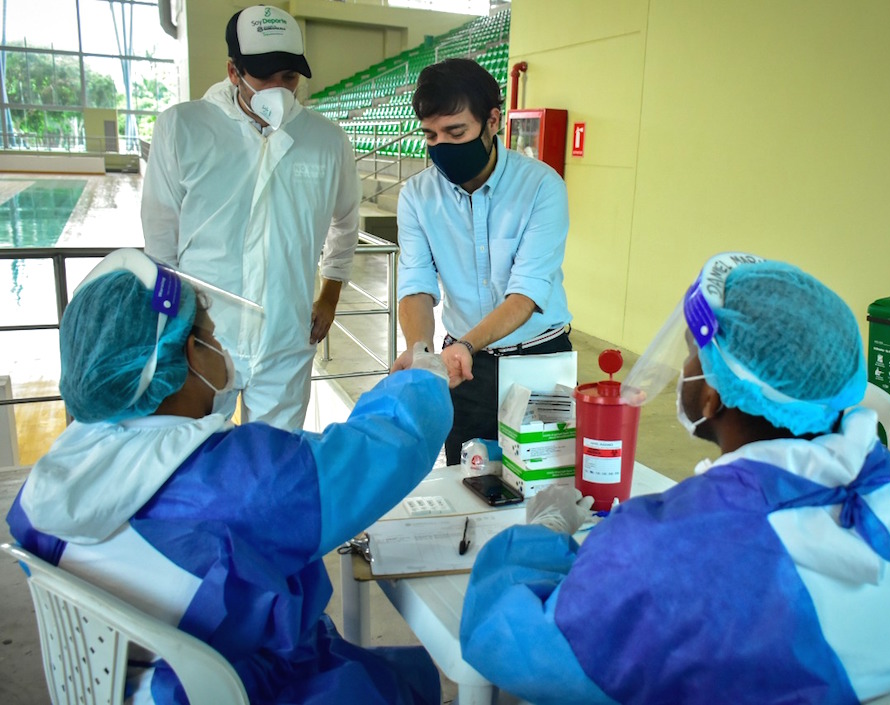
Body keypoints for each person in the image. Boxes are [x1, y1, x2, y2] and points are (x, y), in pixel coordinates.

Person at [459, 252, 890, 705]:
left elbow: (517, 646)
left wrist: (542, 534)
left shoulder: (660, 549)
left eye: (692, 355)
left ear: (715, 394)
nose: (683, 368)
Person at [7, 249, 452, 705]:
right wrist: (425, 377)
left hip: (127, 683)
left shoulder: (51, 481)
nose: (222, 348)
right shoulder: (240, 478)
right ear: (188, 355)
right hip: (238, 686)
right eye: (212, 336)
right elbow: (377, 451)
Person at [142, 5, 361, 431]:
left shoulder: (327, 140)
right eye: (265, 77)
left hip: (284, 334)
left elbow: (346, 223)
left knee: (272, 466)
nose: (279, 89)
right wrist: (168, 331)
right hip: (202, 338)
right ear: (232, 71)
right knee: (193, 460)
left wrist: (330, 294)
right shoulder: (183, 128)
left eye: (290, 77)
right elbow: (160, 242)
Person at [390, 58, 572, 463]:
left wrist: (469, 344)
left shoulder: (541, 187)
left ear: (493, 121)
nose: (442, 147)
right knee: (467, 482)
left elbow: (525, 293)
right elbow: (416, 284)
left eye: (456, 132)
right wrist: (420, 352)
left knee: (543, 481)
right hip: (462, 370)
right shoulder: (418, 196)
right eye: (431, 135)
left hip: (540, 363)